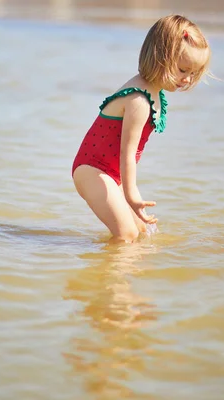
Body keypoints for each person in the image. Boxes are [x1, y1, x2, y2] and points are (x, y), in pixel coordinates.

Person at [71, 15, 211, 243]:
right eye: (183, 70)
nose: (186, 79)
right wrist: (131, 193)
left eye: (192, 73)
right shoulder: (139, 100)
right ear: (160, 58)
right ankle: (110, 278)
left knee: (142, 233)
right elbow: (128, 152)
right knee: (126, 235)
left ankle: (126, 273)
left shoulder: (154, 91)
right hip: (92, 170)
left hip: (110, 172)